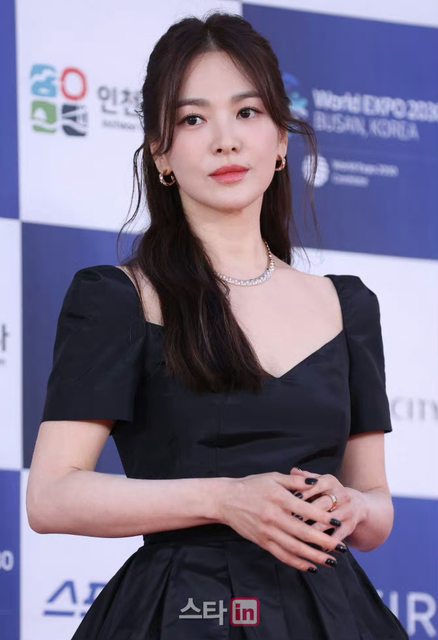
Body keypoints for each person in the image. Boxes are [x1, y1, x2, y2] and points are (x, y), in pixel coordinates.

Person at [26, 11, 409, 639]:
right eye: (193, 119)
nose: (225, 141)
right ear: (161, 152)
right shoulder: (118, 298)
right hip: (188, 611)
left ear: (281, 139)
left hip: (330, 614)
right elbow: (51, 497)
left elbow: (377, 511)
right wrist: (225, 498)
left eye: (247, 112)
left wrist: (352, 506)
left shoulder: (348, 305)